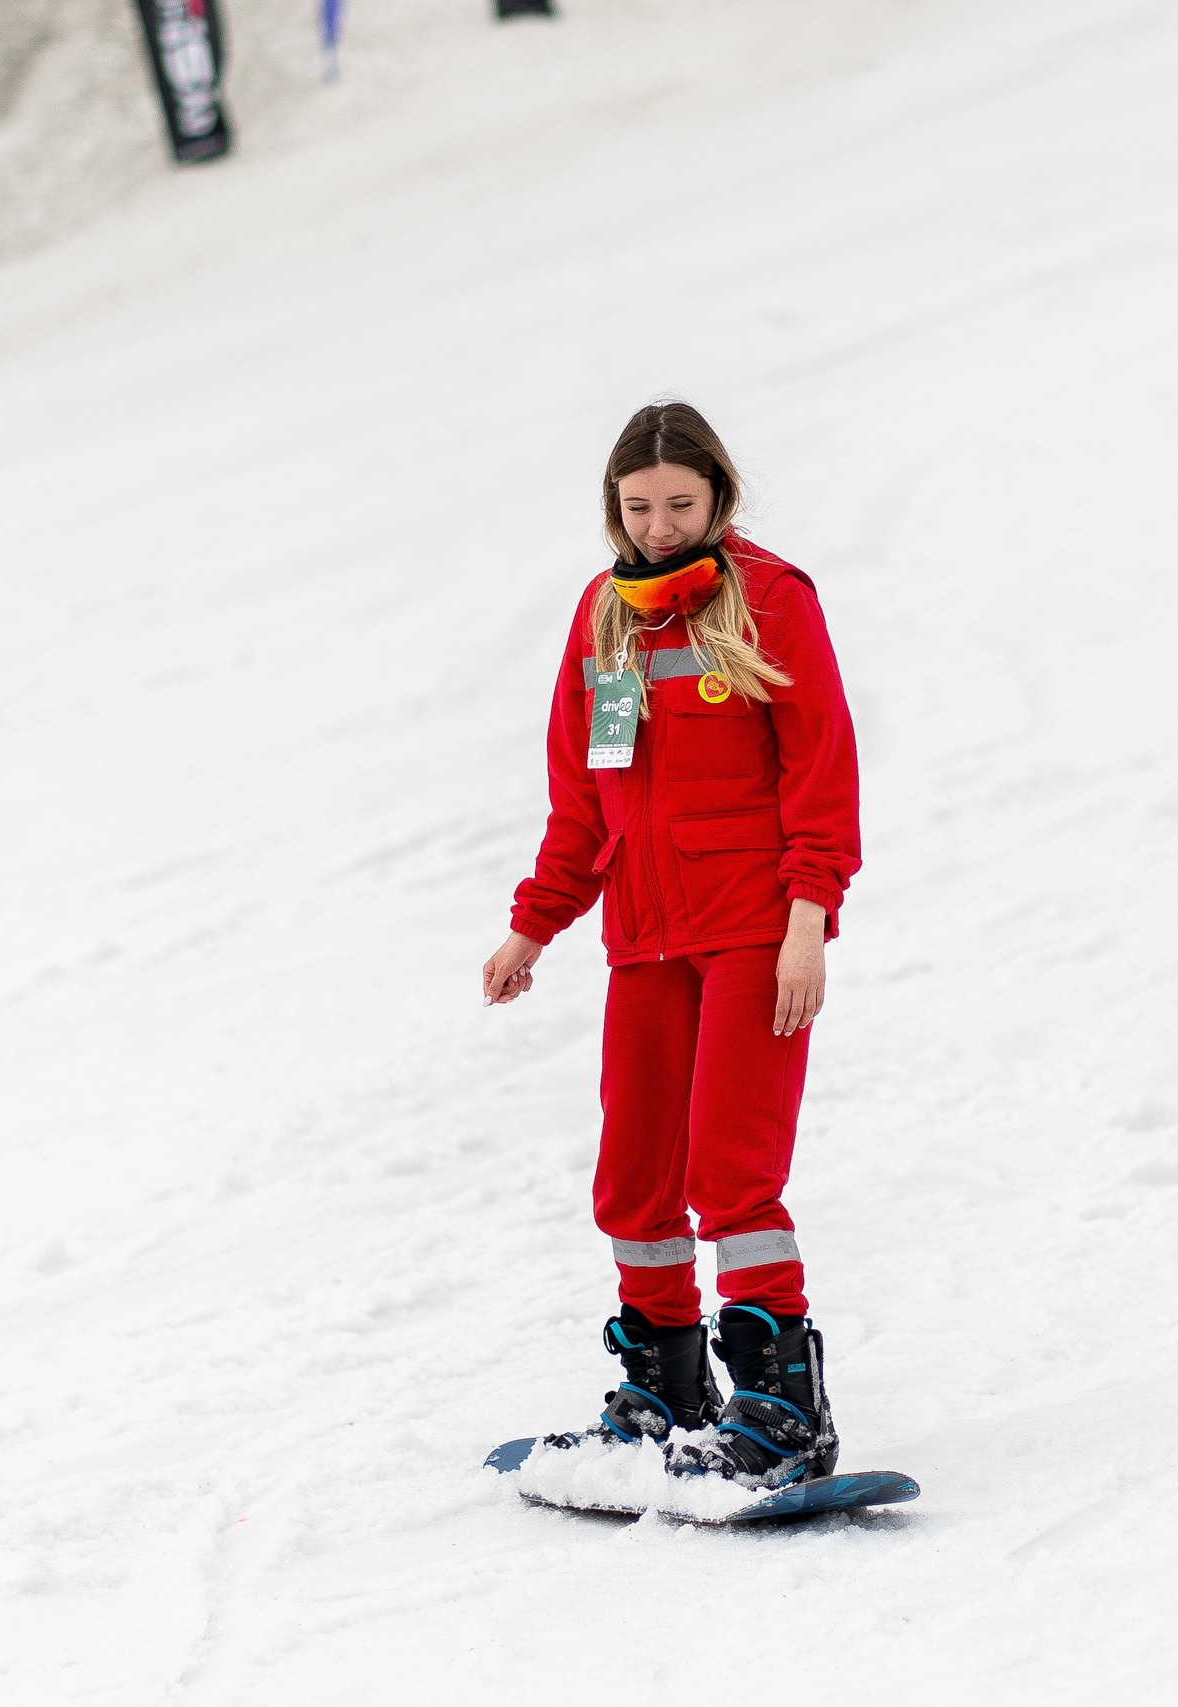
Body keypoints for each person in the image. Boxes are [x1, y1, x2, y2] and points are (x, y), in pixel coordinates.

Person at [482, 401, 861, 1488]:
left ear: (718, 497)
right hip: (644, 938)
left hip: (752, 928)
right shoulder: (606, 623)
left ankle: (783, 1406)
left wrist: (807, 926)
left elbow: (819, 774)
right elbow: (588, 802)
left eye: (677, 504)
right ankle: (664, 1389)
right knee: (635, 1174)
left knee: (729, 1169)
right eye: (636, 506)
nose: (655, 526)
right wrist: (534, 924)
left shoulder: (769, 601)